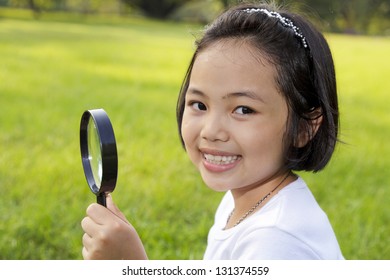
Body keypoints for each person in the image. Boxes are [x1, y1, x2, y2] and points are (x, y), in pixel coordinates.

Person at [81, 2, 344, 260]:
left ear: (305, 127)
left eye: (243, 110)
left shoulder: (276, 241)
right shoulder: (243, 199)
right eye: (199, 104)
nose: (211, 131)